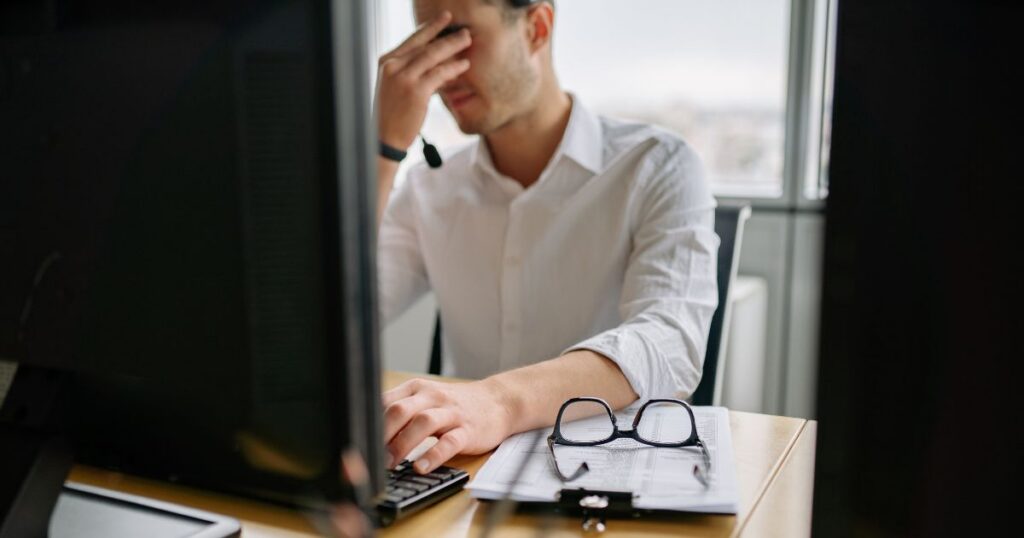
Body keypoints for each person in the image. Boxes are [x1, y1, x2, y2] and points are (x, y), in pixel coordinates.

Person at [374, 0, 719, 475]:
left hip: (608, 473)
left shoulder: (658, 166)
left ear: (536, 27)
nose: (438, 71)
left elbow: (670, 342)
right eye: (424, 42)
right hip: (460, 474)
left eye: (455, 37)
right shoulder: (427, 188)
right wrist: (382, 149)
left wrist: (496, 401)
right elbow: (324, 320)